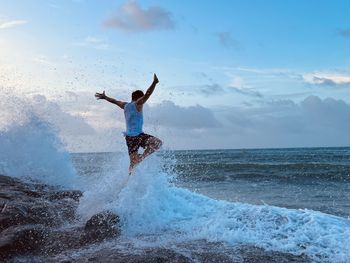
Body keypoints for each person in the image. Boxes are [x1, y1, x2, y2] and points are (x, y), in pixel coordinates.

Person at [95, 74, 162, 174]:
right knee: (158, 143)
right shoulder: (138, 104)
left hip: (129, 138)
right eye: (141, 99)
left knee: (132, 164)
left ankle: (128, 183)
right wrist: (154, 83)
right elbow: (147, 94)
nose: (143, 101)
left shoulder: (125, 105)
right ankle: (141, 157)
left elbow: (114, 101)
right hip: (138, 136)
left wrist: (105, 97)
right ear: (139, 98)